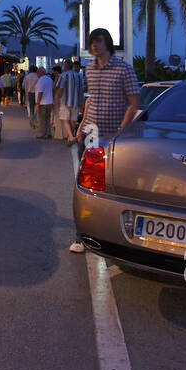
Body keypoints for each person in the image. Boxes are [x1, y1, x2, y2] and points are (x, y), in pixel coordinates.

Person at [72, 28, 141, 253]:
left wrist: (122, 130)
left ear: (107, 43)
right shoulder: (89, 69)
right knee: (86, 186)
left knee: (113, 185)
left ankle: (116, 235)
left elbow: (133, 103)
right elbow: (91, 99)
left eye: (98, 41)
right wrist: (82, 125)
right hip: (91, 133)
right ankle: (82, 236)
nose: (94, 46)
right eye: (92, 42)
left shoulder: (124, 69)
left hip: (114, 135)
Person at [56, 58, 85, 145]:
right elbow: (81, 91)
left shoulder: (63, 75)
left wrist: (57, 98)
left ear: (65, 66)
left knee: (65, 120)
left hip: (65, 101)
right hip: (75, 101)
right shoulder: (78, 76)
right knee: (72, 121)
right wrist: (81, 102)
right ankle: (70, 136)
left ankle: (71, 137)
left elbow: (60, 89)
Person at [34, 67, 55, 138]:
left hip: (43, 103)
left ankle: (42, 134)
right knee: (48, 119)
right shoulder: (50, 80)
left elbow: (40, 92)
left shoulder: (41, 81)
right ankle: (48, 133)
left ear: (40, 73)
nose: (37, 74)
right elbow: (53, 89)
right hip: (50, 102)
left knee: (42, 119)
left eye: (37, 72)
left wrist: (37, 103)